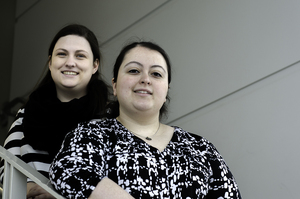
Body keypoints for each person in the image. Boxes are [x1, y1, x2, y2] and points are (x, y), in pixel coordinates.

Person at [49, 41, 242, 198]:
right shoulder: (92, 134)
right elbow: (69, 171)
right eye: (134, 71)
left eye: (156, 74)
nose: (145, 79)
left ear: (166, 90)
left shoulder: (201, 148)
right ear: (114, 86)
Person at [0, 24, 110, 198]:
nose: (70, 62)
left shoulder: (110, 121)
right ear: (50, 63)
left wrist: (58, 195)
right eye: (62, 54)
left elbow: (118, 184)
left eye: (80, 56)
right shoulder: (26, 115)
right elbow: (6, 170)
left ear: (95, 65)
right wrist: (26, 191)